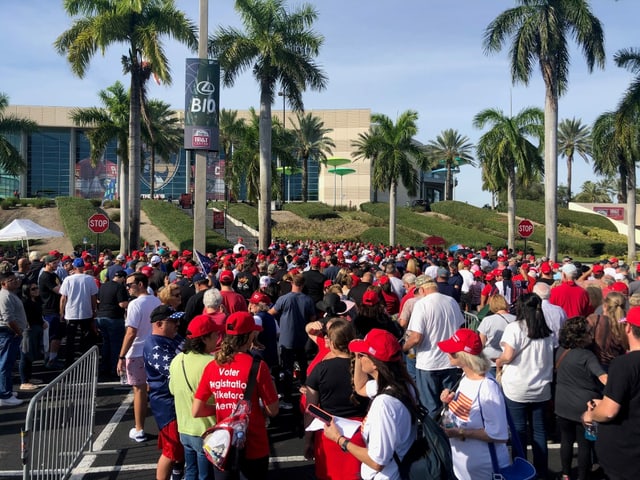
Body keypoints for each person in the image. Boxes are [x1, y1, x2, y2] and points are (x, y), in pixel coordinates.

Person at [193, 311, 279, 480]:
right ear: (249, 336)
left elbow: (197, 410)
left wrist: (224, 407)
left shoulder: (213, 366)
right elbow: (273, 410)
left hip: (224, 445)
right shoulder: (258, 366)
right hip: (253, 443)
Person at [323, 328, 417, 480]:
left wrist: (339, 439)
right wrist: (357, 352)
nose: (358, 359)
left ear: (375, 364)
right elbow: (360, 387)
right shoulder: (403, 385)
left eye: (362, 356)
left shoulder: (384, 404)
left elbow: (376, 461)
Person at [437, 328, 510, 480]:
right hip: (464, 469)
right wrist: (448, 403)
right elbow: (460, 417)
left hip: (485, 471)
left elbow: (499, 434)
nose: (447, 353)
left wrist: (460, 433)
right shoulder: (465, 377)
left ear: (464, 356)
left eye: (452, 351)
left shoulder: (487, 387)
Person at [495, 293, 555, 478]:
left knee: (519, 430)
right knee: (539, 430)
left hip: (517, 386)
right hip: (541, 386)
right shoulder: (546, 330)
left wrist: (498, 362)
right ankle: (542, 471)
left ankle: (521, 469)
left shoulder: (515, 328)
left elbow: (507, 355)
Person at [303, 319, 369, 480]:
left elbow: (310, 409)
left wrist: (308, 441)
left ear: (332, 343)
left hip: (328, 432)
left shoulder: (321, 369)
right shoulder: (364, 366)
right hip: (358, 434)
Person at [582, 306, 640, 480]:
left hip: (627, 455)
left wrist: (591, 414)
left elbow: (609, 412)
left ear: (628, 328)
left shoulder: (624, 364)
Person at [169, 314, 223, 480]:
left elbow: (172, 389)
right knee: (206, 475)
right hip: (206, 430)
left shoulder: (177, 359)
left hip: (184, 428)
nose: (218, 339)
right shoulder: (211, 363)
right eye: (215, 335)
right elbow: (220, 395)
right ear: (205, 339)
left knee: (191, 472)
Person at [555, 316, 607, 480]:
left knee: (566, 441)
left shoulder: (560, 351)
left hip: (562, 403)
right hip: (584, 406)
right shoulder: (587, 356)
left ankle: (565, 474)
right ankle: (582, 476)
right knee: (585, 445)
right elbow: (604, 378)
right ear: (582, 335)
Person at [403, 279, 464, 418]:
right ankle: (449, 435)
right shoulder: (451, 302)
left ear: (422, 290)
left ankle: (433, 437)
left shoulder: (421, 305)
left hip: (428, 362)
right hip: (450, 360)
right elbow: (460, 328)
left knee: (430, 407)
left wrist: (404, 348)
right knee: (450, 404)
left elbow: (416, 337)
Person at [117, 272, 162, 443]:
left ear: (141, 284)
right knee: (155, 389)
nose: (127, 288)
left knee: (139, 391)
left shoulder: (135, 304)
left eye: (130, 284)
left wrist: (121, 356)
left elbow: (131, 332)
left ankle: (139, 428)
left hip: (137, 351)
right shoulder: (156, 301)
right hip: (153, 349)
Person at [143, 304, 185, 480]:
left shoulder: (174, 337)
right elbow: (176, 370)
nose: (177, 324)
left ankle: (177, 474)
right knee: (171, 449)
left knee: (180, 446)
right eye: (172, 321)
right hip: (167, 404)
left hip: (179, 401)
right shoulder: (154, 346)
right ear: (159, 324)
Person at [59, 257, 99, 367]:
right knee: (86, 337)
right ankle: (85, 359)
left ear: (74, 267)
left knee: (70, 338)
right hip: (85, 311)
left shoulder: (68, 279)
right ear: (83, 267)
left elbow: (63, 298)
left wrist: (61, 312)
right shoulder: (89, 279)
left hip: (71, 313)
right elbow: (93, 297)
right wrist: (94, 309)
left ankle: (69, 361)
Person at [0, 269, 28, 407]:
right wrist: (18, 331)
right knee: (5, 363)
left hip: (12, 333)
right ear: (3, 283)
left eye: (15, 279)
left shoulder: (10, 294)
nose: (15, 281)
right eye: (11, 280)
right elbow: (8, 318)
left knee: (9, 363)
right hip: (9, 333)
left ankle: (8, 391)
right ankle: (4, 394)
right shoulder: (4, 296)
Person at [95, 270, 128, 378]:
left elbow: (98, 300)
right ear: (123, 278)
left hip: (101, 317)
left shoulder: (103, 286)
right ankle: (114, 368)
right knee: (116, 344)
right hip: (113, 317)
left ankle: (104, 366)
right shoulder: (120, 287)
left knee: (106, 343)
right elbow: (122, 304)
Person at [586, 291, 628, 371]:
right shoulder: (626, 323)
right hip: (619, 367)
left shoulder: (595, 320)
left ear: (605, 306)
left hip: (597, 368)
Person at [476, 294, 515, 376]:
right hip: (510, 359)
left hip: (490, 359)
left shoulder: (487, 320)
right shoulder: (515, 319)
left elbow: (481, 343)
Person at [38, 255, 64, 369]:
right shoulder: (45, 276)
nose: (56, 265)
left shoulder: (53, 275)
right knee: (54, 336)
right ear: (47, 263)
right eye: (54, 263)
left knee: (56, 335)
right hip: (50, 309)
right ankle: (51, 360)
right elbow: (60, 290)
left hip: (55, 309)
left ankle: (52, 357)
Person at [19, 282, 46, 391]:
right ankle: (24, 381)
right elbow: (27, 317)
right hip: (28, 330)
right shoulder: (25, 302)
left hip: (36, 329)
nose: (36, 290)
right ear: (27, 291)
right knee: (25, 355)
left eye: (36, 288)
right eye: (33, 289)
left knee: (31, 355)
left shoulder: (37, 301)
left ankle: (28, 378)